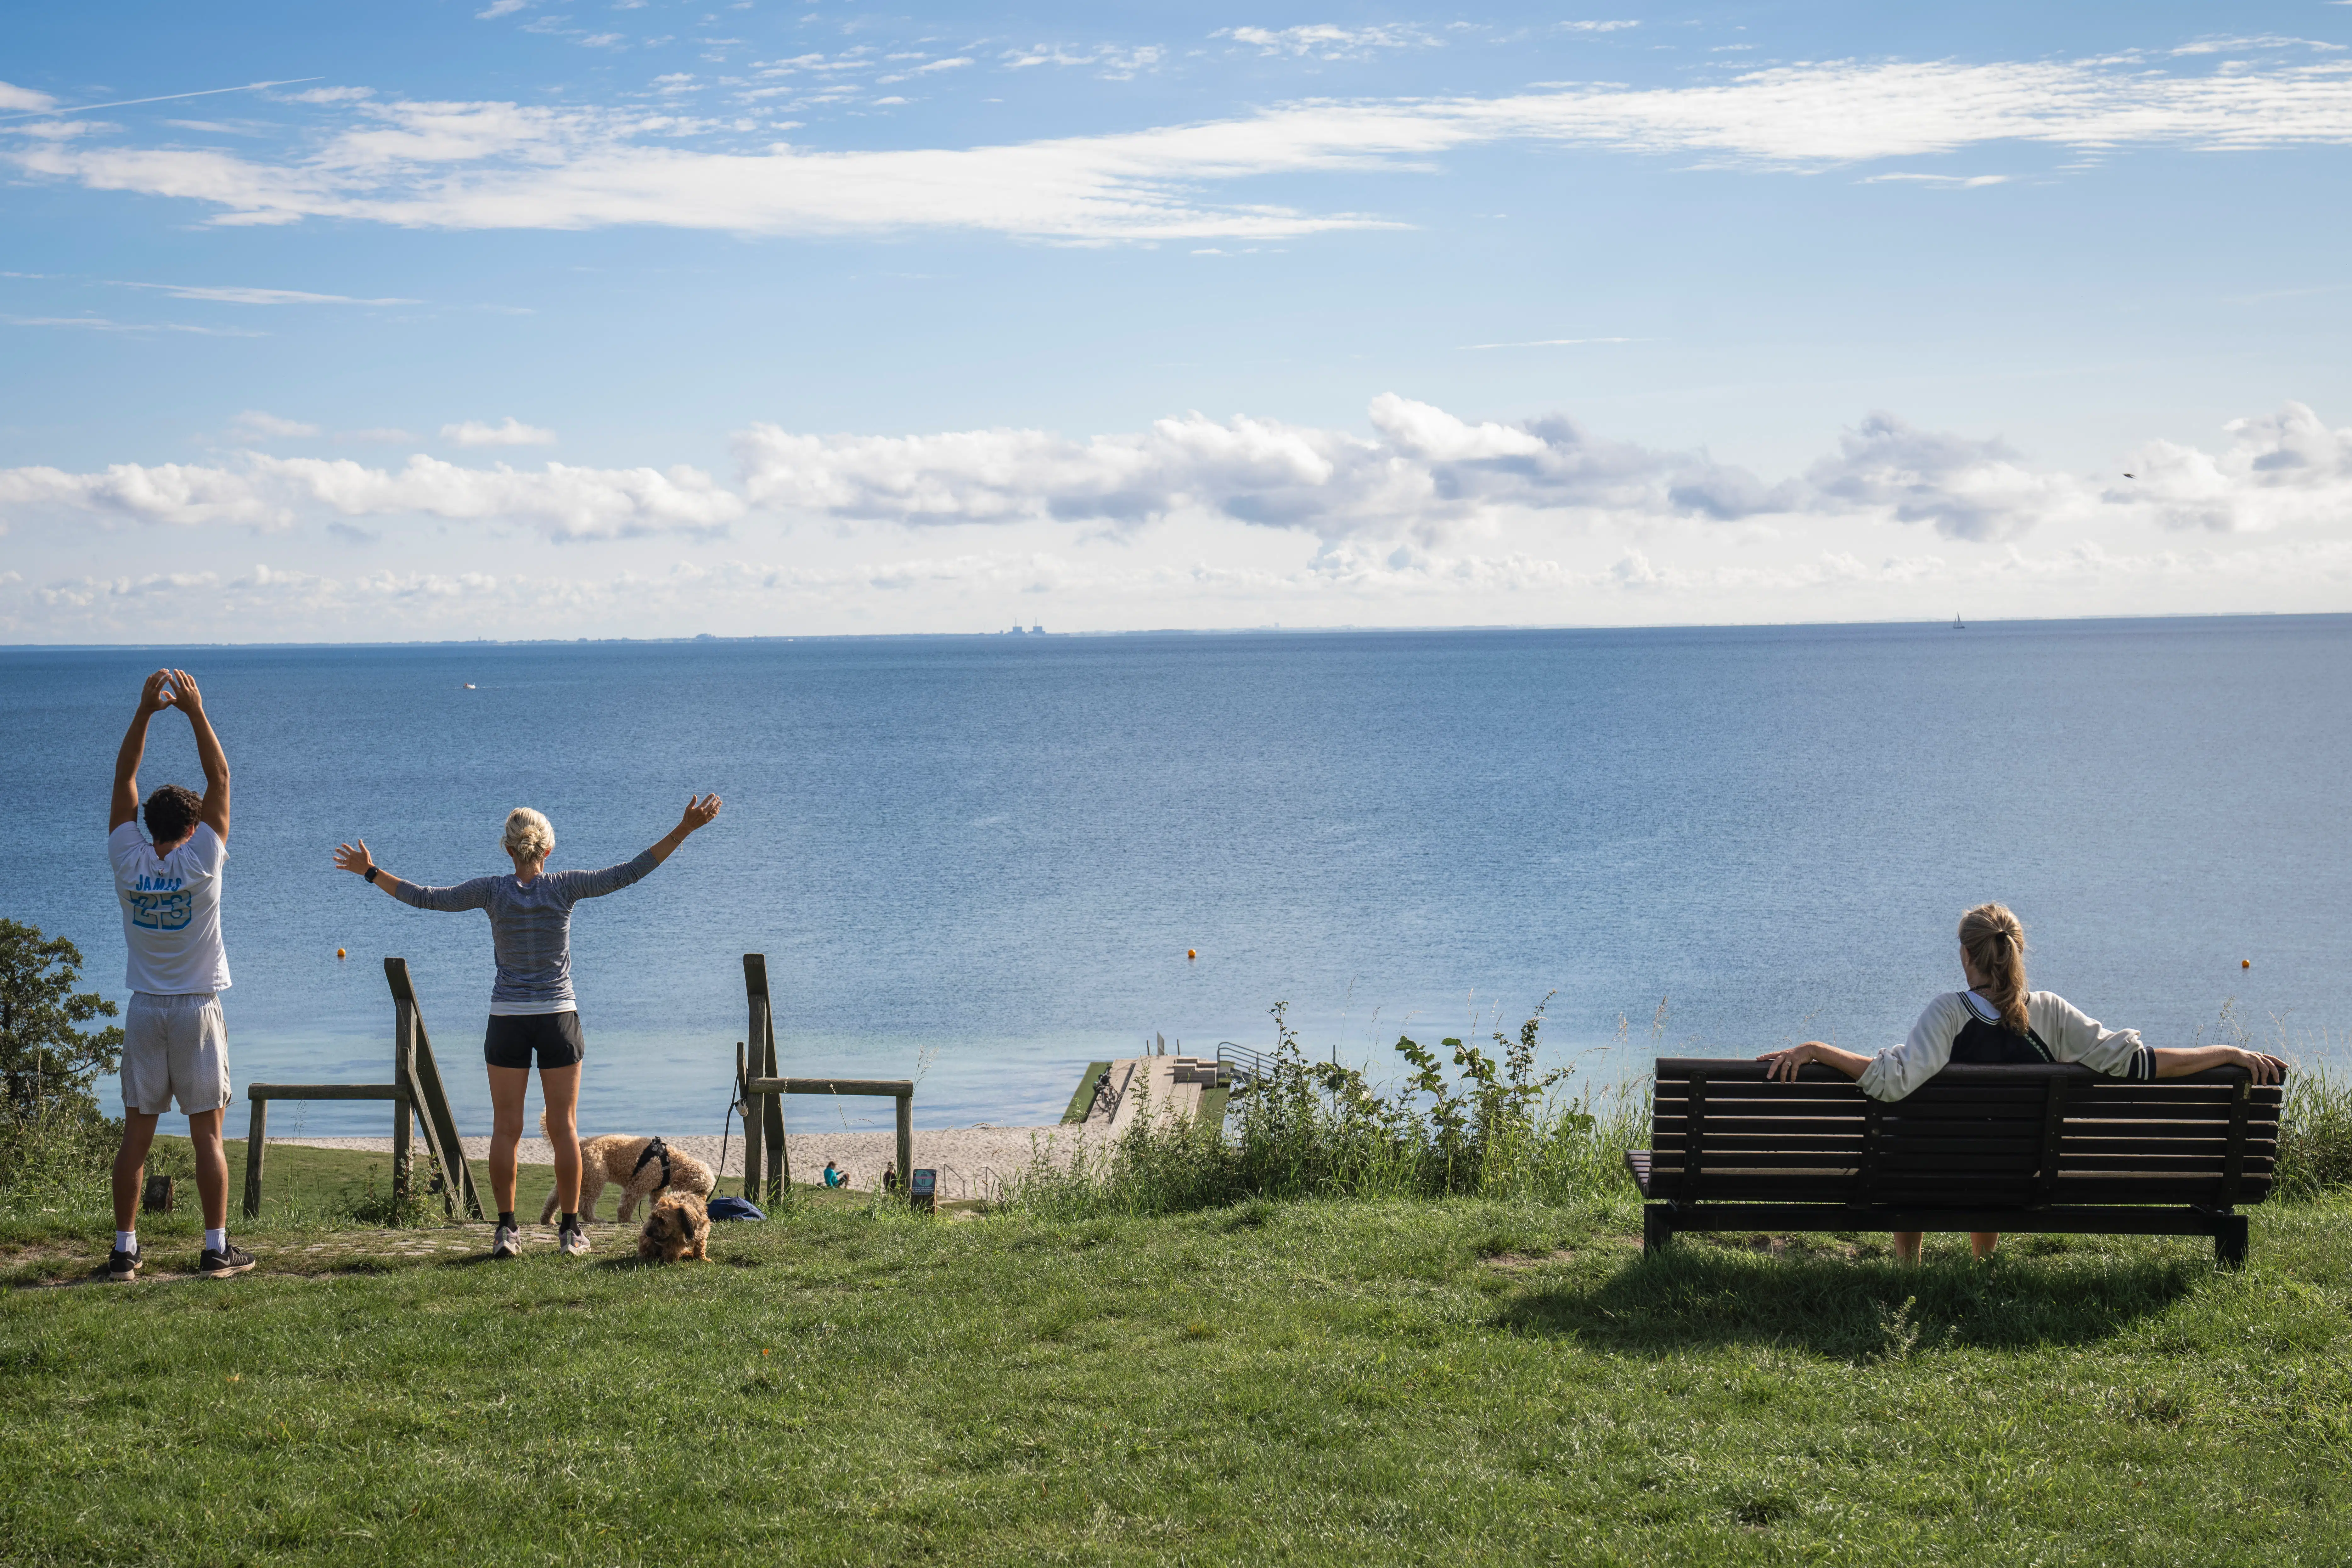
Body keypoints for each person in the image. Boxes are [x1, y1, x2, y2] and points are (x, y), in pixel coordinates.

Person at [1759, 902, 2287, 1264]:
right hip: (2017, 1178)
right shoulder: (2051, 1013)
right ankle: (1983, 1265)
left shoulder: (1948, 1013)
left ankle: (1907, 1270)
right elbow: (2139, 1062)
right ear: (2015, 951)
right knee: (1998, 1138)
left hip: (1925, 1177)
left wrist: (1817, 1049)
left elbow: (1892, 1081)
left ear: (1966, 956)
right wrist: (2226, 1052)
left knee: (1913, 1137)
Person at [335, 795, 721, 1259]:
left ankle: (506, 1232)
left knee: (506, 1129)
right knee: (564, 1128)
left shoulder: (490, 891)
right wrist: (684, 829)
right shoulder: (565, 886)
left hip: (508, 1020)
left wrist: (370, 872)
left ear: (508, 849)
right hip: (558, 1017)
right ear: (548, 850)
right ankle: (571, 1233)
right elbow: (631, 871)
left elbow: (425, 897)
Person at [107, 669, 251, 1281]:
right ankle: (215, 1249)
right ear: (193, 829)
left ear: (149, 825)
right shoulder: (202, 861)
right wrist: (196, 712)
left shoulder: (127, 857)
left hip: (145, 1007)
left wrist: (145, 711)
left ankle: (124, 1251)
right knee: (207, 1137)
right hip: (196, 1008)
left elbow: (124, 779)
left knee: (135, 1137)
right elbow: (221, 778)